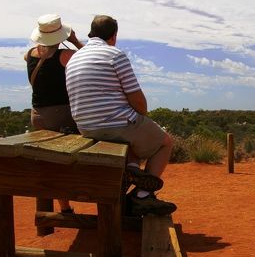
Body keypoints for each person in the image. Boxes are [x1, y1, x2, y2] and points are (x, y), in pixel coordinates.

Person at [65, 15, 176, 216]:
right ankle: (142, 196)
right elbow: (138, 100)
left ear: (91, 33)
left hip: (86, 128)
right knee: (165, 142)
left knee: (129, 136)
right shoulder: (114, 55)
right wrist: (143, 116)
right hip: (116, 125)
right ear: (114, 36)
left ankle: (132, 168)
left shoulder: (73, 59)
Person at [25, 13, 83, 213]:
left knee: (51, 161)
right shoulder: (66, 56)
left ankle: (65, 207)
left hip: (37, 115)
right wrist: (74, 40)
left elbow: (29, 57)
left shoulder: (30, 53)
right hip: (62, 114)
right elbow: (90, 57)